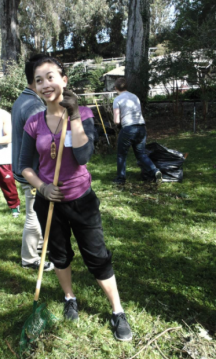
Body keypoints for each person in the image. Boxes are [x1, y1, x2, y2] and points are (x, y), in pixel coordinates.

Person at [19, 56, 132, 342]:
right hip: (50, 203)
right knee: (59, 255)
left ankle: (117, 311)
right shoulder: (33, 123)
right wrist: (42, 187)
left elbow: (82, 157)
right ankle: (70, 297)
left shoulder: (82, 113)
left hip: (81, 199)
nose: (45, 84)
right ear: (33, 85)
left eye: (51, 77)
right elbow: (24, 166)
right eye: (39, 80)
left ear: (64, 80)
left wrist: (75, 117)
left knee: (97, 256)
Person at [12, 54, 54, 271]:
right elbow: (44, 143)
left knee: (35, 211)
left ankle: (38, 246)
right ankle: (29, 258)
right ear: (34, 79)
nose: (47, 83)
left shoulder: (23, 99)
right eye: (42, 78)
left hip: (23, 167)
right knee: (34, 214)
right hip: (32, 171)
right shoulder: (33, 106)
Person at [112, 77, 162, 184]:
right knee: (141, 154)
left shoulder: (117, 99)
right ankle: (155, 170)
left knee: (121, 154)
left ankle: (120, 179)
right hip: (141, 127)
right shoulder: (135, 96)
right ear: (126, 87)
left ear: (116, 88)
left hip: (128, 128)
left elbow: (116, 121)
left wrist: (119, 122)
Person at [0, 109, 20, 217]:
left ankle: (14, 207)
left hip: (3, 158)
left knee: (8, 185)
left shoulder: (4, 115)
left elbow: (8, 138)